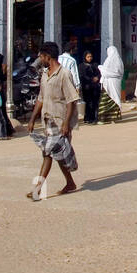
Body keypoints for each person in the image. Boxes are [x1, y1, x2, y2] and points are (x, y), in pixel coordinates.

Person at [26, 42, 78, 199]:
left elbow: (71, 100)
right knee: (57, 154)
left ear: (47, 56)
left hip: (60, 120)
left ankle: (37, 189)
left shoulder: (64, 74)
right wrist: (32, 118)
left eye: (41, 56)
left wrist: (66, 123)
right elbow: (41, 98)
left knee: (47, 153)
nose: (40, 59)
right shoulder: (44, 75)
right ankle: (70, 183)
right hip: (47, 120)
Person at [98, 45, 126, 124]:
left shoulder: (108, 60)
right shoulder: (119, 61)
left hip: (108, 83)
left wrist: (100, 67)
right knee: (115, 99)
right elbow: (120, 72)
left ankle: (103, 119)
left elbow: (105, 72)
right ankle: (114, 118)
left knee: (105, 100)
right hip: (116, 83)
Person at [80, 50, 101, 125]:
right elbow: (83, 76)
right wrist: (91, 79)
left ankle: (94, 118)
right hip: (87, 87)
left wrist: (97, 78)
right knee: (88, 103)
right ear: (85, 57)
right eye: (88, 57)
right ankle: (87, 118)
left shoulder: (95, 65)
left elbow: (99, 73)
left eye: (91, 56)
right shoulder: (82, 66)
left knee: (95, 102)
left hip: (95, 88)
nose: (90, 58)